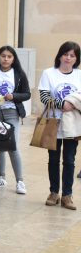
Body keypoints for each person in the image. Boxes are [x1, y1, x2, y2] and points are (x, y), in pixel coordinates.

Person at [39, 41, 81, 210]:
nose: (68, 58)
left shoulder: (79, 75)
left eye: (72, 55)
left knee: (69, 160)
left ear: (76, 58)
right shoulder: (49, 73)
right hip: (53, 122)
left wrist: (72, 104)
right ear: (59, 55)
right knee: (54, 159)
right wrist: (62, 104)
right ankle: (54, 192)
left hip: (73, 124)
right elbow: (43, 97)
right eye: (65, 54)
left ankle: (67, 195)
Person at [0, 45, 30, 195]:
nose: (6, 59)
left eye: (9, 56)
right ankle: (1, 178)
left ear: (13, 59)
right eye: (3, 56)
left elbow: (27, 94)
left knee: (12, 145)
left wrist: (14, 96)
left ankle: (20, 181)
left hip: (12, 112)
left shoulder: (19, 73)